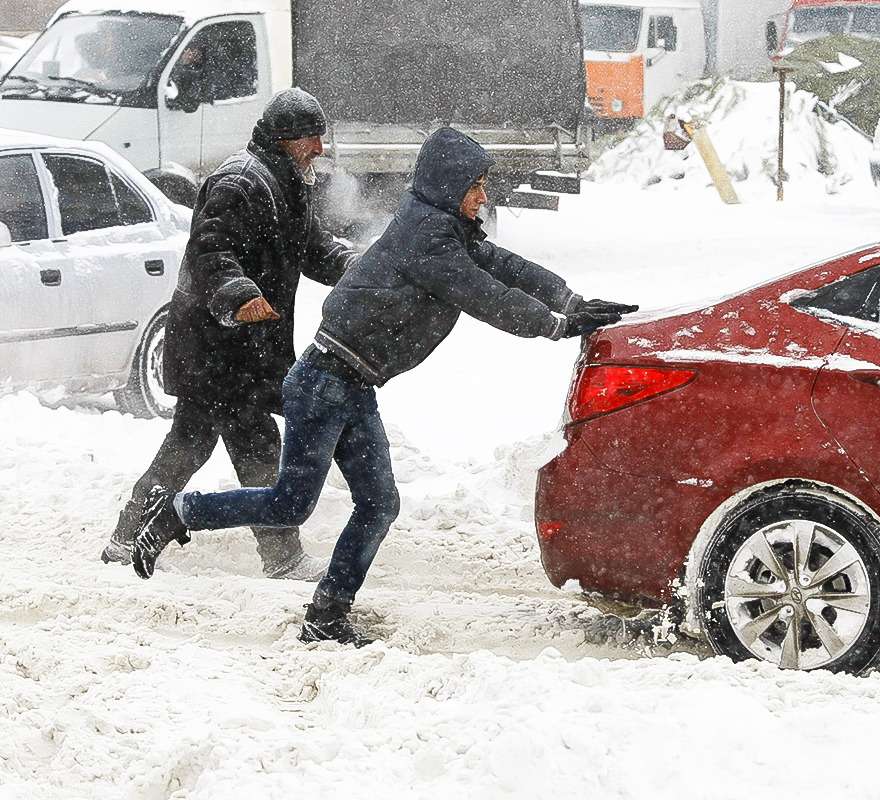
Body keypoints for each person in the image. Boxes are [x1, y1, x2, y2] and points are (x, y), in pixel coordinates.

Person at [128, 128, 636, 645]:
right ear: (447, 185)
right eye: (476, 185)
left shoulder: (443, 230)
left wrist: (570, 299)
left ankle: (327, 614)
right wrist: (554, 325)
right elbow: (486, 295)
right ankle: (174, 512)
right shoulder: (429, 243)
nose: (484, 196)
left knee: (378, 503)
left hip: (351, 385)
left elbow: (502, 266)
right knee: (290, 502)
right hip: (325, 381)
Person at [100, 88, 357, 581]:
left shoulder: (285, 181)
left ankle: (127, 534)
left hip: (237, 350)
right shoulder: (240, 182)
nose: (319, 150)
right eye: (312, 139)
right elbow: (211, 251)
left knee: (189, 445)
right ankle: (282, 557)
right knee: (255, 445)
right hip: (218, 347)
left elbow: (312, 246)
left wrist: (352, 265)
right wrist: (239, 293)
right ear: (286, 140)